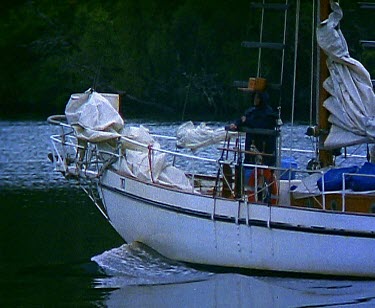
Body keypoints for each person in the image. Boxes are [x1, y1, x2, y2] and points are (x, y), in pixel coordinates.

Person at [229, 91, 278, 166]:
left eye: (258, 98)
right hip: (251, 143)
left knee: (265, 163)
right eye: (254, 97)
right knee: (249, 163)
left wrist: (247, 121)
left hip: (265, 144)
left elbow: (261, 124)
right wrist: (235, 124)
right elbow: (242, 119)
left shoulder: (269, 114)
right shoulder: (251, 111)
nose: (255, 100)